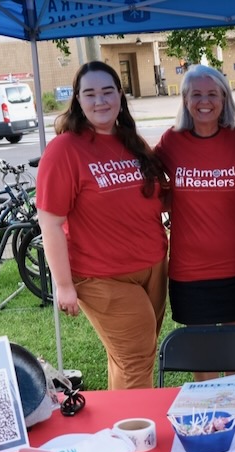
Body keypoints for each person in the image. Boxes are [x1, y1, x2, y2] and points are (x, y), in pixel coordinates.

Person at [35, 61, 169, 390]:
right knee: (137, 357)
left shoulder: (131, 142)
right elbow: (50, 222)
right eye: (90, 94)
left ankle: (120, 424)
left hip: (153, 265)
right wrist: (64, 285)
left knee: (128, 355)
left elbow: (155, 197)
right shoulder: (65, 150)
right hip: (102, 275)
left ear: (120, 96)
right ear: (77, 100)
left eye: (108, 92)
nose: (100, 101)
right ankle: (136, 435)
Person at [155, 65, 235, 375]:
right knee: (203, 358)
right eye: (196, 94)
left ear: (225, 98)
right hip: (189, 270)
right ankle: (209, 421)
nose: (205, 101)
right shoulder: (171, 141)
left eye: (212, 94)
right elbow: (143, 176)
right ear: (185, 100)